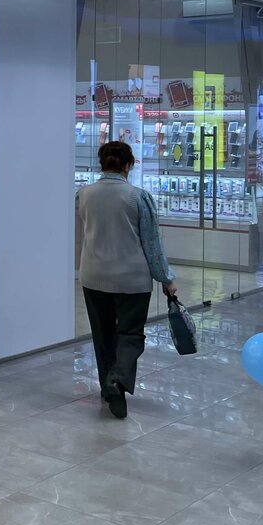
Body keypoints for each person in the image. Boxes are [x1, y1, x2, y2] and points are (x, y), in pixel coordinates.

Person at [75, 140, 176, 419]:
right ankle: (118, 379)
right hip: (132, 280)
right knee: (131, 334)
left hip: (93, 276)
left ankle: (109, 389)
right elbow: (152, 244)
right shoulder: (138, 197)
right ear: (128, 165)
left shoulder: (83, 195)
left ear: (101, 163)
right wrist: (166, 278)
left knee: (103, 335)